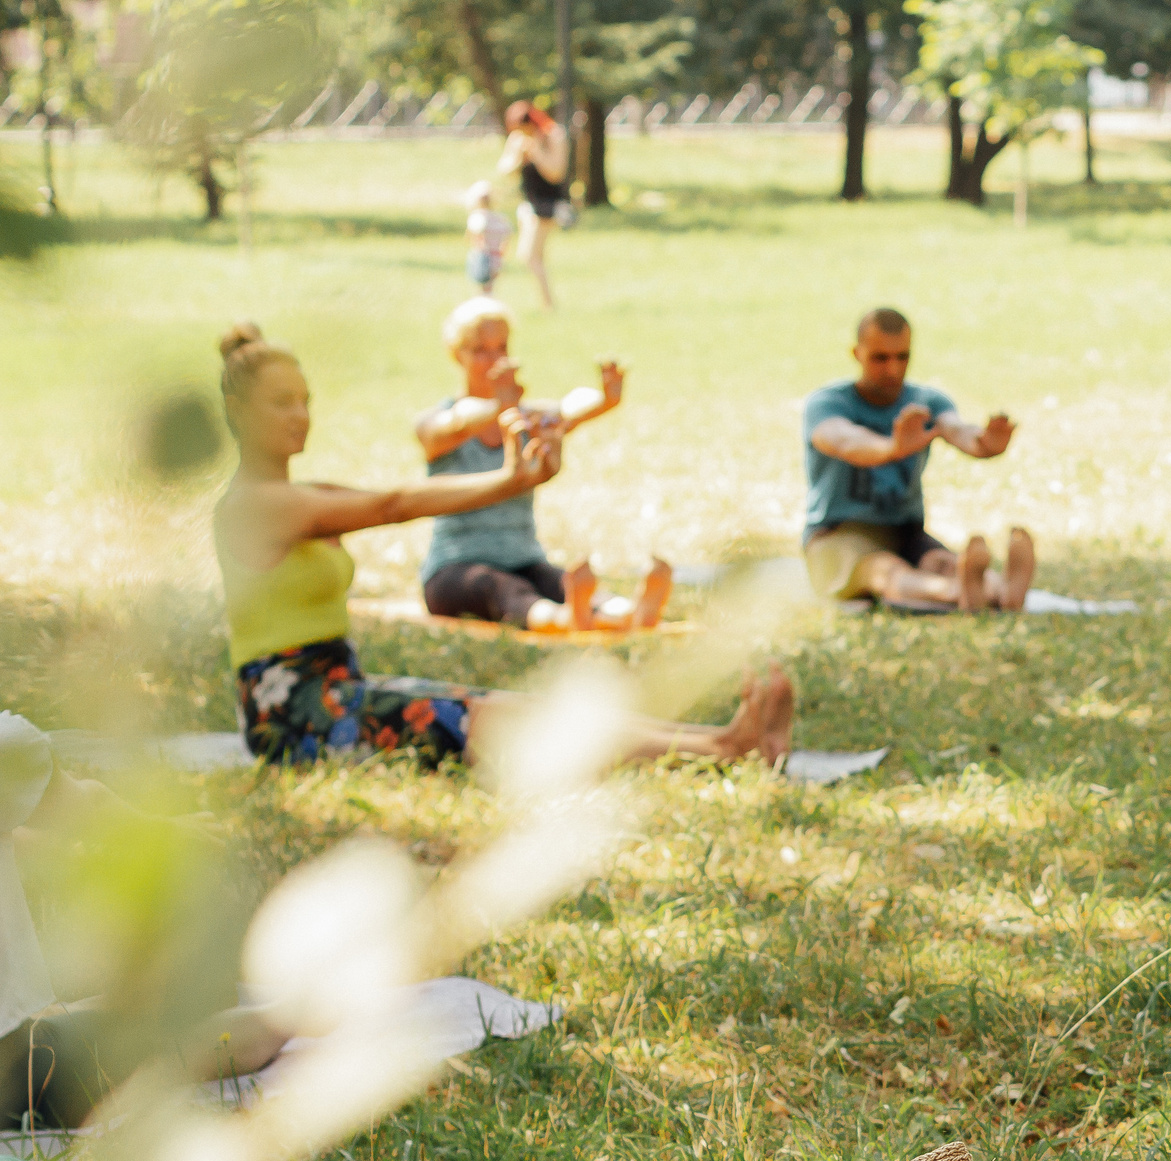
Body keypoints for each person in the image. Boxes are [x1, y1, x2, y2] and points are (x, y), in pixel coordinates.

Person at [212, 323, 791, 769]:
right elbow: (394, 504)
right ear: (238, 411)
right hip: (293, 720)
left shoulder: (305, 496)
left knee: (507, 703)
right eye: (281, 402)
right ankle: (720, 751)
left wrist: (520, 477)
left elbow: (412, 495)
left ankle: (720, 742)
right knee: (492, 717)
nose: (301, 414)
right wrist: (515, 478)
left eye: (305, 398)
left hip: (340, 690)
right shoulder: (256, 507)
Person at [3, 713, 289, 1130]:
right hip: (15, 1074)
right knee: (176, 1045)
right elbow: (86, 807)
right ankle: (301, 1010)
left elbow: (28, 849)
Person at [413, 295, 667, 632]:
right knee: (503, 591)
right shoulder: (438, 421)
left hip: (524, 560)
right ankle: (566, 620)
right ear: (457, 354)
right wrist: (502, 407)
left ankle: (627, 613)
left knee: (558, 582)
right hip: (455, 570)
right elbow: (454, 424)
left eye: (501, 347)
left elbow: (568, 407)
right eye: (480, 349)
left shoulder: (525, 416)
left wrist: (605, 399)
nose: (494, 359)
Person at [802, 307, 1037, 613]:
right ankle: (958, 593)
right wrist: (891, 447)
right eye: (880, 358)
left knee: (943, 562)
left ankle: (1002, 591)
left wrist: (985, 444)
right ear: (856, 353)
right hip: (838, 534)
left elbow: (957, 430)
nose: (893, 370)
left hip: (905, 532)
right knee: (885, 571)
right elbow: (845, 441)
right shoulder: (827, 404)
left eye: (902, 357)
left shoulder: (926, 402)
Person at [497, 102, 571, 310]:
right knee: (533, 257)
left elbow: (556, 173)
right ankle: (546, 305)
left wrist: (536, 151)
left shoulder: (553, 135)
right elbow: (504, 170)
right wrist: (518, 157)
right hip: (529, 203)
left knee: (529, 256)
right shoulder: (518, 139)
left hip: (548, 204)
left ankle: (548, 305)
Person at [463, 180, 507, 290]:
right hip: (496, 255)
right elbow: (507, 236)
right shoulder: (499, 219)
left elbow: (472, 236)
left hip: (482, 255)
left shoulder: (477, 217)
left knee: (481, 285)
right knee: (491, 284)